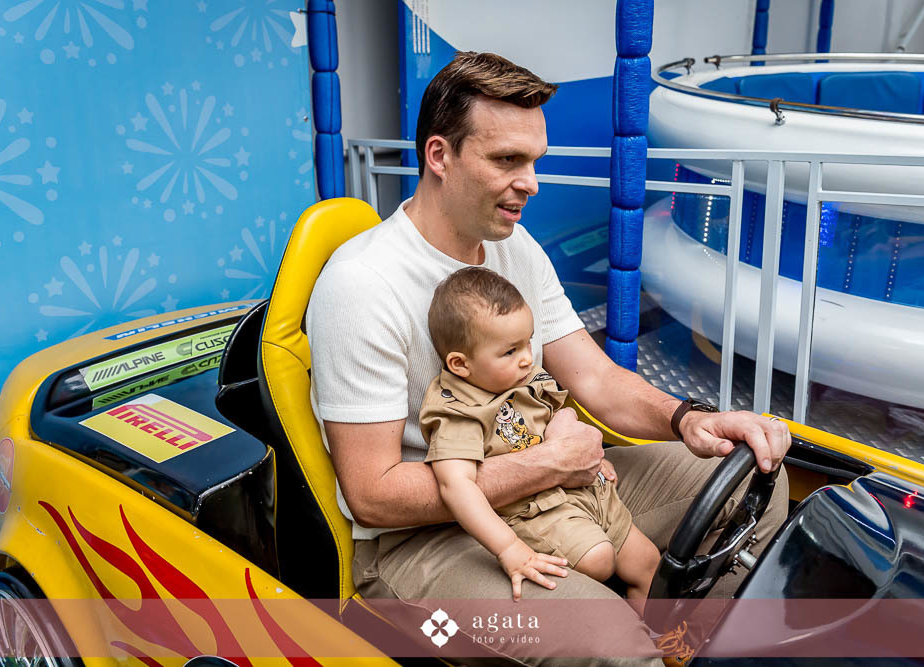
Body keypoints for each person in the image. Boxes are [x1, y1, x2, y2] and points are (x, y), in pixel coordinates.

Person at [307, 51, 790, 665]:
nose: (531, 183)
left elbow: (592, 375)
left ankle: (679, 643)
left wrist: (690, 419)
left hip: (553, 485)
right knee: (612, 645)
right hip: (425, 538)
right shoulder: (363, 284)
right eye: (507, 160)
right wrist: (550, 463)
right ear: (439, 156)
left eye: (534, 160)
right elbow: (374, 494)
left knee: (759, 475)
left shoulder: (513, 245)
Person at [421, 267, 661, 608]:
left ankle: (660, 645)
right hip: (531, 512)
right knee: (599, 559)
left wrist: (582, 447)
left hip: (585, 492)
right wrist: (509, 548)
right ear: (460, 364)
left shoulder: (524, 378)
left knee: (647, 561)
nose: (526, 358)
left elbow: (558, 414)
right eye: (509, 351)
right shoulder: (459, 412)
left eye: (528, 342)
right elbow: (455, 487)